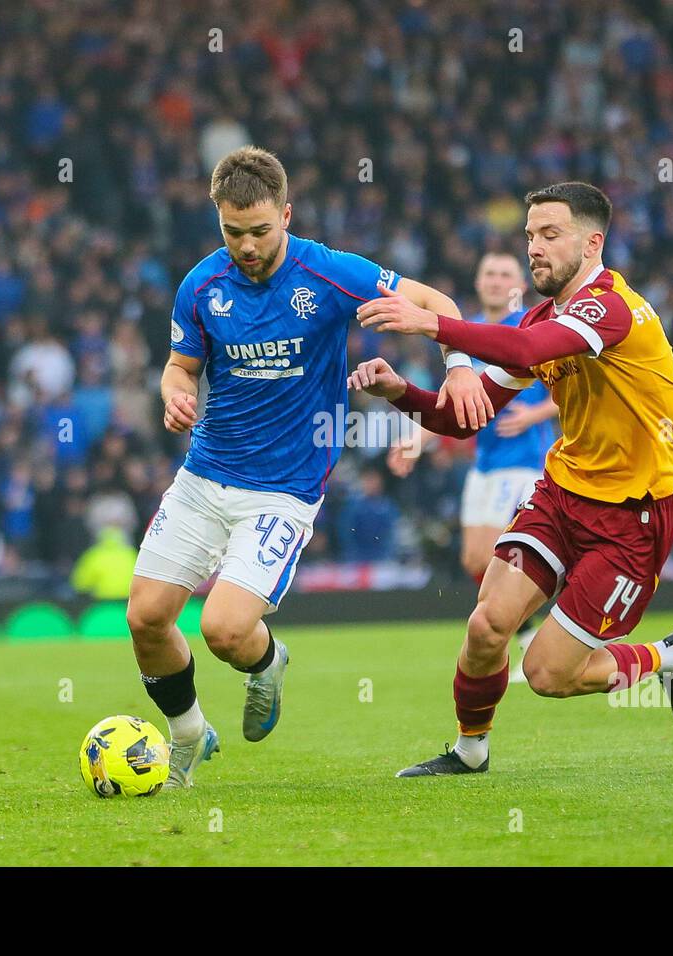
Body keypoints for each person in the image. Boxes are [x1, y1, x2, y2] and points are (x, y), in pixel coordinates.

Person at [126, 146, 491, 789]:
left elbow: (440, 302)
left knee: (223, 629)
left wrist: (458, 366)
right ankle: (188, 735)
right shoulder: (201, 288)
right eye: (232, 232)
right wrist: (173, 393)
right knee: (145, 618)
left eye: (260, 231)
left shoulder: (328, 274)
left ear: (286, 215)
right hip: (205, 474)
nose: (245, 246)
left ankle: (266, 664)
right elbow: (180, 365)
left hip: (283, 491)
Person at [350, 181, 673, 776]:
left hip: (632, 517)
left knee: (548, 674)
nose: (534, 249)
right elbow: (464, 417)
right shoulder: (547, 315)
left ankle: (670, 656)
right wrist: (400, 393)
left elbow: (530, 344)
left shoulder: (611, 309)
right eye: (530, 236)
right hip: (564, 495)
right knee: (487, 625)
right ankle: (470, 751)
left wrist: (431, 324)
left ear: (592, 244)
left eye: (550, 235)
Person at [387, 252, 557, 682]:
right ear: (478, 283)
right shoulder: (467, 335)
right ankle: (526, 633)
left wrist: (535, 416)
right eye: (489, 275)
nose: (497, 282)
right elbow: (454, 402)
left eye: (505, 274)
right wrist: (418, 440)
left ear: (519, 282)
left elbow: (574, 382)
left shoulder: (531, 327)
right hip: (484, 464)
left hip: (524, 464)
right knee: (473, 558)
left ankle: (532, 635)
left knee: (504, 554)